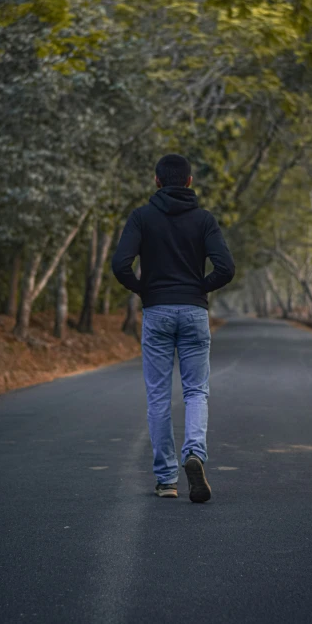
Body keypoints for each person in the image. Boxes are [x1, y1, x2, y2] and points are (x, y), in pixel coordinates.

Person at [112, 154, 235, 502]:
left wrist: (144, 289)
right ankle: (194, 453)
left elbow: (120, 264)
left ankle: (167, 480)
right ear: (190, 182)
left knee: (158, 395)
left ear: (156, 181)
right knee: (196, 391)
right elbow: (226, 267)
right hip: (194, 311)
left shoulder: (141, 217)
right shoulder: (204, 220)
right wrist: (200, 287)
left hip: (157, 313)